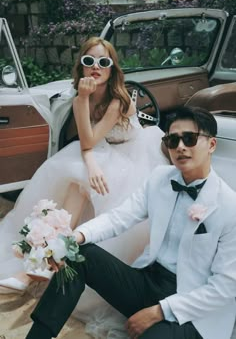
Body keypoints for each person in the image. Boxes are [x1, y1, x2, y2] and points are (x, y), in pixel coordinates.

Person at [0, 37, 168, 333]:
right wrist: (82, 101)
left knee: (80, 178)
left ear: (113, 67)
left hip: (134, 154)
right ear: (81, 64)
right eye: (89, 61)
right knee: (76, 175)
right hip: (102, 151)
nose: (96, 68)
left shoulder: (118, 98)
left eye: (104, 62)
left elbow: (89, 141)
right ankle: (40, 260)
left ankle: (45, 263)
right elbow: (87, 145)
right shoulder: (83, 94)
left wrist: (82, 102)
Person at [25, 106, 236, 339]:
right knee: (79, 255)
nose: (180, 147)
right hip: (149, 281)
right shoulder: (159, 178)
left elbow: (224, 288)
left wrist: (160, 311)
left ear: (212, 145)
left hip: (195, 310)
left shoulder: (229, 206)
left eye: (190, 138)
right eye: (172, 140)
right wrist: (74, 238)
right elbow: (119, 217)